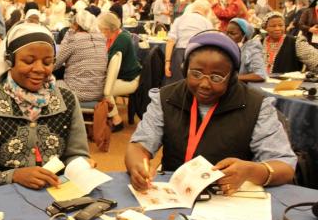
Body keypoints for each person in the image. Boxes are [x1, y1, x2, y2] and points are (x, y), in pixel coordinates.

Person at [125, 31, 296, 194]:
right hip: (177, 195)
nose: (204, 84)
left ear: (232, 77)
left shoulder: (257, 106)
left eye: (216, 77)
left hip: (229, 198)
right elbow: (139, 146)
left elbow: (285, 166)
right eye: (196, 73)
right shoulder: (166, 98)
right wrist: (138, 166)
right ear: (185, 70)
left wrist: (251, 170)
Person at [0, 23, 91, 188]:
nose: (39, 69)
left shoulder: (67, 100)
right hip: (7, 200)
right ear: (10, 61)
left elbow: (76, 154)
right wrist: (14, 175)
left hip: (59, 194)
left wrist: (81, 165)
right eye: (28, 61)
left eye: (47, 62)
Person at [97, 12, 142, 131]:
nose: (100, 31)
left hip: (130, 79)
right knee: (100, 86)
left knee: (102, 90)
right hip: (121, 76)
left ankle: (117, 120)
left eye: (101, 29)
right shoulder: (114, 36)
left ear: (107, 29)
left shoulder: (122, 39)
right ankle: (106, 115)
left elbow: (108, 62)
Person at [55, 10, 107, 102]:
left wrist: (68, 35)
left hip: (76, 94)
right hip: (99, 93)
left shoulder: (74, 39)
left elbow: (55, 64)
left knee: (52, 83)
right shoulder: (102, 40)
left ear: (76, 25)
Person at [164, 0, 213, 84]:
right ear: (207, 11)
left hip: (179, 55)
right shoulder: (207, 22)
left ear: (193, 8)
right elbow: (209, 46)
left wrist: (167, 62)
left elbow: (170, 41)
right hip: (197, 55)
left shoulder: (179, 19)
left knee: (176, 85)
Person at [226, 18, 266, 82]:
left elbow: (260, 75)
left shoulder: (252, 48)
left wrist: (233, 78)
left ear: (245, 35)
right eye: (227, 33)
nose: (228, 36)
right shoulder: (231, 47)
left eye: (233, 33)